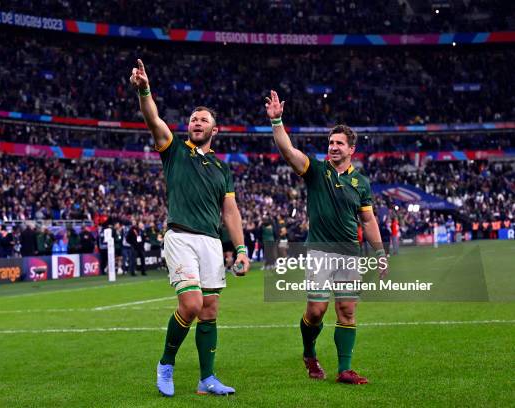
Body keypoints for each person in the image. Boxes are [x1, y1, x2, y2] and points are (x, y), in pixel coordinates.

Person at [131, 59, 250, 397]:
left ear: (216, 130)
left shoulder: (222, 169)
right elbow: (152, 117)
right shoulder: (174, 150)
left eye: (204, 119)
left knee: (210, 309)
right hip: (180, 236)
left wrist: (240, 248)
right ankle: (166, 364)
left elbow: (230, 212)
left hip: (211, 241)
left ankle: (206, 379)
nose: (197, 122)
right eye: (193, 119)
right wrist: (144, 90)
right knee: (193, 304)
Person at [266, 90, 388, 385]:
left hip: (350, 252)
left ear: (351, 150)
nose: (333, 147)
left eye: (339, 143)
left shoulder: (361, 182)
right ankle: (309, 352)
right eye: (331, 142)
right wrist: (277, 121)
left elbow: (368, 220)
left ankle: (345, 370)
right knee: (317, 311)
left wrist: (380, 252)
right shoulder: (316, 171)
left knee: (346, 310)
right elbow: (288, 151)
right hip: (320, 252)